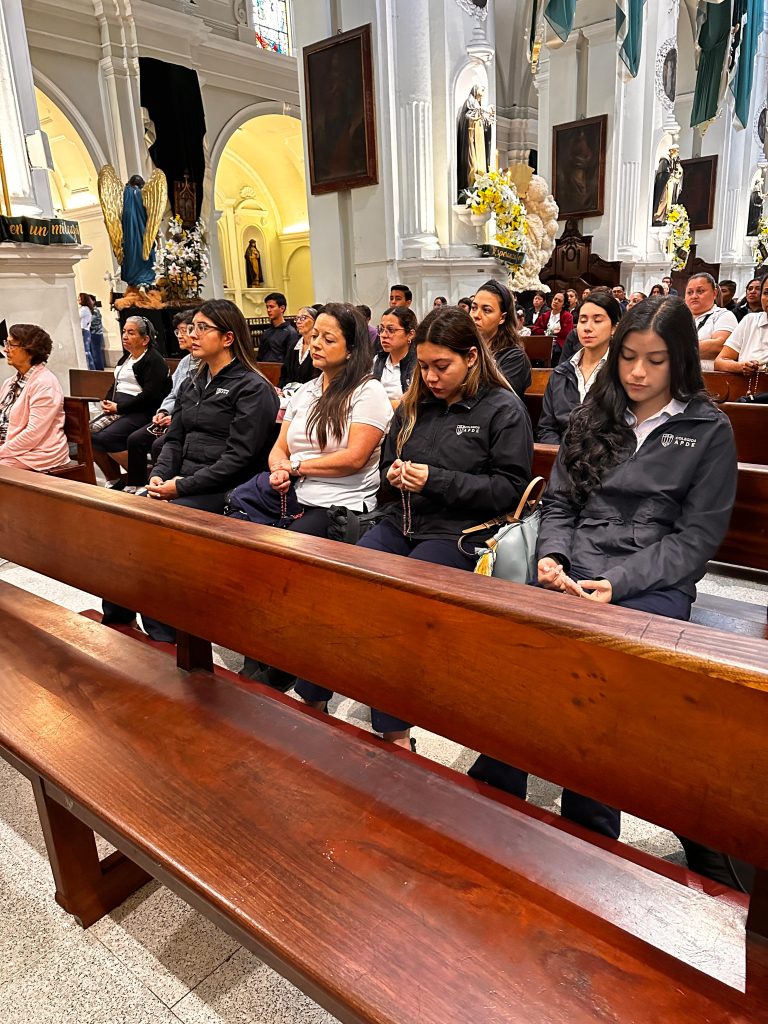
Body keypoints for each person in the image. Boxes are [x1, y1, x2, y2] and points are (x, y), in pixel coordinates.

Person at [470, 296, 738, 886]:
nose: (638, 373)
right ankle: (496, 799)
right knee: (519, 656)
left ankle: (589, 829)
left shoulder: (706, 429)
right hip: (576, 566)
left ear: (682, 361)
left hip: (653, 582)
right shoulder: (598, 414)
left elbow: (695, 541)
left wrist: (617, 584)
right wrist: (552, 558)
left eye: (656, 360)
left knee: (595, 679)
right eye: (628, 358)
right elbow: (561, 502)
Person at [294, 306, 533, 746]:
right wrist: (393, 473)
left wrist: (435, 480)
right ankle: (311, 698)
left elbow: (509, 490)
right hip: (400, 519)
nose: (431, 376)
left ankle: (395, 730)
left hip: (459, 533)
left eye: (442, 366)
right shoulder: (413, 406)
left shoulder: (502, 409)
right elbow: (386, 462)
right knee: (340, 583)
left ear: (472, 358)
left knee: (395, 606)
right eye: (423, 367)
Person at [266, 302, 392, 537]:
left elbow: (354, 458)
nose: (316, 344)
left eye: (328, 339)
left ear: (351, 349)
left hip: (340, 503)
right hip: (297, 494)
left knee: (286, 545)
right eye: (315, 336)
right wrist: (279, 470)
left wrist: (295, 466)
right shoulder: (305, 391)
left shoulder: (368, 391)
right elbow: (279, 448)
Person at [147, 299, 279, 513]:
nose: (192, 335)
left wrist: (181, 486)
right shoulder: (191, 382)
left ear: (227, 338)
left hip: (226, 486)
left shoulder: (252, 388)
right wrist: (159, 474)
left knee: (161, 516)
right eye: (192, 327)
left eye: (203, 328)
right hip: (184, 478)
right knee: (134, 507)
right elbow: (173, 440)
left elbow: (239, 458)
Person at [91, 316, 171, 487]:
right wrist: (107, 400)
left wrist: (119, 407)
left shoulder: (153, 360)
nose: (125, 336)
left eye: (131, 333)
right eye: (124, 332)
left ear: (145, 339)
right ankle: (114, 479)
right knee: (88, 433)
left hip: (142, 411)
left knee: (106, 438)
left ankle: (139, 477)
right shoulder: (126, 358)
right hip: (121, 408)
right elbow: (117, 382)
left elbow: (151, 395)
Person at [122, 311, 196, 491]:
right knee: (136, 439)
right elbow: (172, 394)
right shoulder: (186, 361)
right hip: (171, 416)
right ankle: (137, 485)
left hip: (183, 420)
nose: (180, 336)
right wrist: (163, 412)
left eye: (185, 330)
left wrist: (175, 417)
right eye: (178, 331)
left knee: (158, 445)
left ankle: (165, 486)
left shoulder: (203, 363)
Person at [537, 291, 622, 444]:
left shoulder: (622, 372)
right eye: (583, 320)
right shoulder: (561, 373)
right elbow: (546, 428)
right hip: (560, 459)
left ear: (614, 328)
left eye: (597, 320)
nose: (587, 328)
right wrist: (561, 457)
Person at [0, 324, 69, 471]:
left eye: (11, 345)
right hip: (12, 448)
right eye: (7, 344)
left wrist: (2, 451)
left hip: (38, 453)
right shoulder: (11, 382)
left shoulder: (45, 383)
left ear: (30, 350)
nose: (6, 349)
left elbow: (33, 434)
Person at [470, 279, 532, 397]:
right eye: (473, 308)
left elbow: (497, 399)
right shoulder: (465, 347)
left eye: (486, 310)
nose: (476, 315)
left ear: (502, 318)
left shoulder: (514, 358)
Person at [714, 276, 768, 376]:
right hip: (748, 388)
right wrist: (741, 366)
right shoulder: (750, 320)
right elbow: (720, 362)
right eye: (766, 293)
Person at [684, 272, 738, 369]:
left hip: (708, 379)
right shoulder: (677, 317)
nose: (694, 296)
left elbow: (720, 346)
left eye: (700, 291)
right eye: (690, 292)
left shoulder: (723, 315)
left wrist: (677, 349)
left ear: (714, 293)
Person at [372, 306, 417, 404]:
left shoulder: (418, 365)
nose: (383, 335)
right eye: (381, 329)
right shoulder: (377, 360)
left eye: (391, 330)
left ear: (410, 334)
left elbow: (412, 403)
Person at [280, 305, 322, 390]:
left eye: (303, 318)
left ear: (315, 321)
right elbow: (284, 374)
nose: (298, 322)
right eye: (297, 318)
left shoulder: (318, 346)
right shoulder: (293, 346)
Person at [530, 290, 574, 366]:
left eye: (559, 301)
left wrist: (549, 333)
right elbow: (535, 330)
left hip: (559, 345)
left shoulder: (567, 316)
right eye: (555, 299)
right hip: (544, 342)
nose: (556, 302)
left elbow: (566, 333)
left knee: (554, 350)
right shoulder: (545, 315)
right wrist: (548, 332)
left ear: (563, 304)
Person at [259, 292, 298, 363]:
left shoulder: (291, 333)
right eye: (267, 307)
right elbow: (260, 356)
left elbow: (291, 359)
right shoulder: (266, 333)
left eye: (272, 307)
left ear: (282, 308)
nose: (268, 310)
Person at [78, 293, 93, 369]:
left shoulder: (84, 309)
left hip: (84, 331)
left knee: (86, 351)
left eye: (79, 298)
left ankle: (90, 368)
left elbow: (76, 316)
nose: (78, 300)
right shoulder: (85, 308)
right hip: (85, 330)